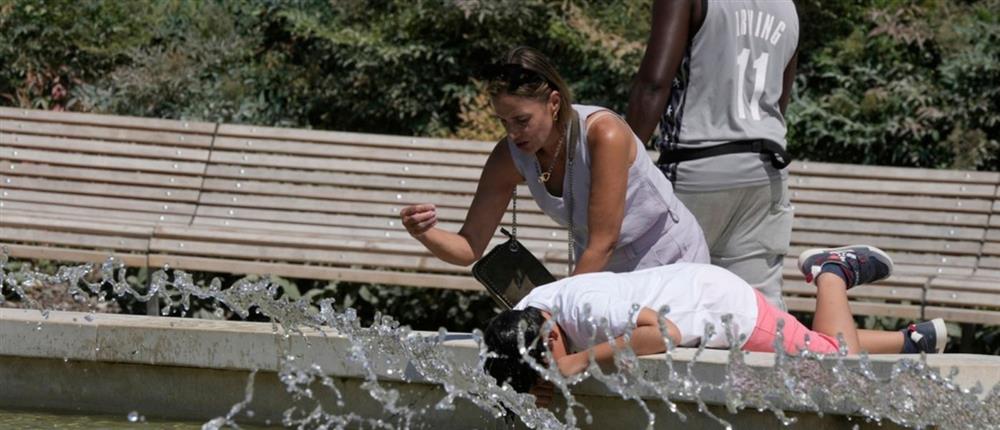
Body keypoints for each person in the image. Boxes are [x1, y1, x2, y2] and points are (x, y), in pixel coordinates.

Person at [401, 47, 708, 275]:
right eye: (503, 122)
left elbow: (603, 242)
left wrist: (553, 308)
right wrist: (423, 232)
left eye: (522, 120)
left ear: (554, 102)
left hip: (669, 259)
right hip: (602, 269)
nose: (512, 133)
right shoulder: (509, 155)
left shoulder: (604, 134)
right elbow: (469, 247)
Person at [483, 245, 947, 392]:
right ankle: (909, 343)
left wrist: (577, 362)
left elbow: (664, 333)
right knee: (805, 340)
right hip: (694, 288)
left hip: (719, 306)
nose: (552, 370)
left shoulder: (586, 307)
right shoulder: (530, 310)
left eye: (547, 361)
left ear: (550, 335)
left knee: (831, 360)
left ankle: (832, 272)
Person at [625, 0, 800, 309]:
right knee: (757, 313)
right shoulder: (786, 6)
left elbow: (653, 85)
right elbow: (779, 102)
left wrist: (621, 166)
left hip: (696, 167)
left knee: (659, 306)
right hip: (765, 172)